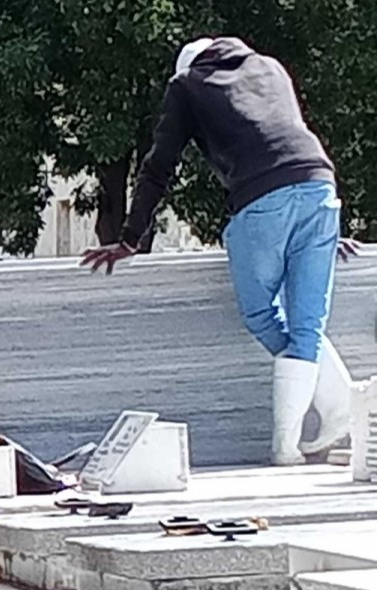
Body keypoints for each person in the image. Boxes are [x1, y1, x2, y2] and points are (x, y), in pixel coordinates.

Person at [81, 37, 360, 466]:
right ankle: (333, 414)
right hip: (319, 187)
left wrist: (130, 238)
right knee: (308, 324)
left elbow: (159, 164)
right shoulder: (270, 66)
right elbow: (285, 137)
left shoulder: (187, 84)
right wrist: (321, 229)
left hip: (263, 199)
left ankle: (299, 434)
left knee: (262, 314)